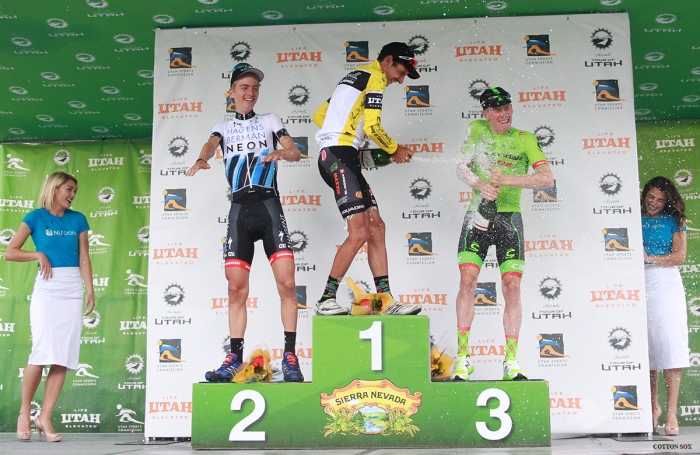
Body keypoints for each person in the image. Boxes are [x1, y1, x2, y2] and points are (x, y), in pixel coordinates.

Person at [186, 62, 304, 383]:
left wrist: (283, 153)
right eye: (244, 87)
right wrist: (201, 158)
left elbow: (294, 151)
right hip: (239, 210)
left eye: (254, 88)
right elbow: (211, 145)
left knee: (288, 285)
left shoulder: (270, 120)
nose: (250, 93)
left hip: (268, 205)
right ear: (232, 92)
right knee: (236, 290)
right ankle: (233, 359)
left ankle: (290, 357)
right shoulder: (222, 128)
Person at [311, 41, 422, 316]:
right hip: (338, 156)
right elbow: (372, 126)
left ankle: (384, 299)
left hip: (340, 154)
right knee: (359, 232)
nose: (400, 79)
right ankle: (326, 299)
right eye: (401, 71)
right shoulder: (375, 78)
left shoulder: (357, 75)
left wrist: (344, 138)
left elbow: (319, 116)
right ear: (388, 61)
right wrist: (395, 149)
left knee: (377, 226)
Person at [454, 87, 554, 381]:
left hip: (510, 218)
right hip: (478, 215)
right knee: (467, 280)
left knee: (511, 286)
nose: (504, 113)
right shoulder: (477, 129)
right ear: (485, 113)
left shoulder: (525, 139)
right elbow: (462, 167)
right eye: (497, 110)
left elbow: (547, 178)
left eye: (507, 107)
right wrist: (480, 185)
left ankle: (511, 361)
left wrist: (507, 179)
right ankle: (463, 357)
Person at [6, 172, 95, 442]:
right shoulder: (35, 217)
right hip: (47, 288)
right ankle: (25, 412)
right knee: (42, 351)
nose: (72, 195)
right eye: (69, 189)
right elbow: (11, 251)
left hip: (72, 289)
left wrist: (90, 288)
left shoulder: (78, 219)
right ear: (54, 189)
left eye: (75, 191)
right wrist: (38, 253)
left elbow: (84, 256)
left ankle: (44, 417)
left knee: (63, 356)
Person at [641, 176, 689, 436]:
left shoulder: (675, 221)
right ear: (644, 195)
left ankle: (671, 411)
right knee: (647, 348)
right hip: (637, 282)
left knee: (669, 345)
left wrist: (648, 257)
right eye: (651, 197)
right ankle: (652, 407)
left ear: (668, 201)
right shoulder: (632, 217)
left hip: (665, 282)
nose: (654, 203)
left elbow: (680, 257)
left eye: (660, 199)